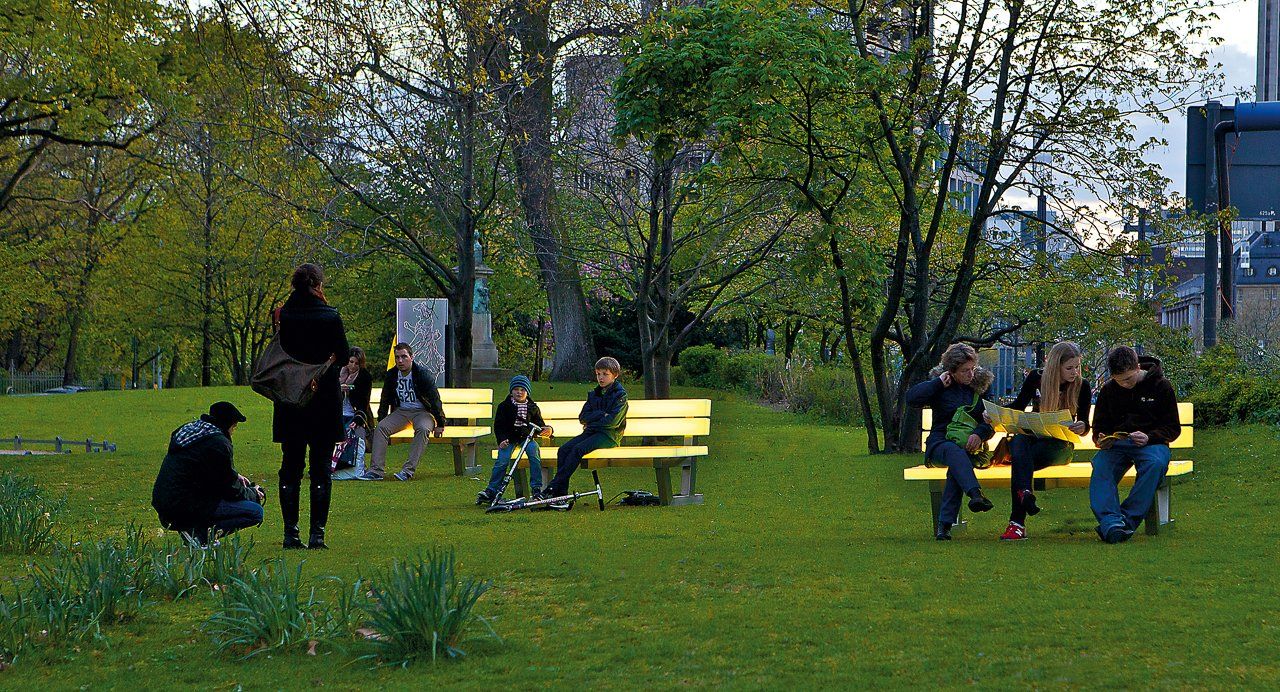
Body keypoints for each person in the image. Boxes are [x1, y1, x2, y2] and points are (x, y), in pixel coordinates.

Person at [273, 263, 349, 550]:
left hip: (290, 397)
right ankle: (317, 533)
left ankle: (290, 532)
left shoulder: (283, 315)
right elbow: (342, 354)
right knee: (320, 468)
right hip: (323, 398)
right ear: (318, 284)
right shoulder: (330, 316)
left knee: (290, 466)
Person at [996, 341, 1093, 541]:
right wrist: (995, 415)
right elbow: (1019, 406)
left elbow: (1085, 423)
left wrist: (1082, 427)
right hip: (1034, 440)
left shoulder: (1082, 386)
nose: (1074, 372)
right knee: (1020, 441)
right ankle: (1024, 495)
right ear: (1055, 366)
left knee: (1021, 461)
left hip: (1060, 446)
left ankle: (1017, 522)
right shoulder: (1036, 379)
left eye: (1077, 367)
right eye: (1069, 368)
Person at [1089, 346, 1181, 544]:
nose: (1124, 384)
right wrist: (1101, 438)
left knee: (1154, 464)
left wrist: (1149, 436)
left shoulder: (1161, 386)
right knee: (1101, 465)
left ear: (1138, 367)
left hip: (1151, 443)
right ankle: (1111, 522)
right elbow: (1099, 426)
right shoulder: (1108, 390)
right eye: (1119, 380)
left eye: (1129, 379)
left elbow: (1173, 428)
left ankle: (1125, 521)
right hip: (1118, 444)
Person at [906, 343, 997, 540]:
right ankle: (975, 494)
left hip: (968, 448)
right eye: (965, 371)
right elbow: (911, 399)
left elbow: (990, 423)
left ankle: (944, 527)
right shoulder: (941, 385)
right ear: (952, 371)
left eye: (972, 369)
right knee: (955, 453)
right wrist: (938, 383)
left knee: (958, 461)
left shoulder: (980, 388)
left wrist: (979, 434)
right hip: (940, 445)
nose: (970, 374)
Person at [152, 401, 262, 545]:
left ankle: (193, 529)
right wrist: (254, 493)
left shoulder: (193, 434)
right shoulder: (218, 443)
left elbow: (207, 471)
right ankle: (200, 533)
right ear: (227, 424)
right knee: (255, 512)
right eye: (234, 427)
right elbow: (229, 489)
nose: (233, 431)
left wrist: (235, 476)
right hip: (184, 506)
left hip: (167, 503)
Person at [537, 357, 628, 511]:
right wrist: (601, 415)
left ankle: (552, 489)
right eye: (598, 374)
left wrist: (596, 418)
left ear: (615, 375)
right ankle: (561, 495)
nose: (600, 378)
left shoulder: (620, 396)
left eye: (605, 374)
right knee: (564, 450)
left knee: (578, 449)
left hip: (608, 436)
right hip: (592, 432)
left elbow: (612, 422)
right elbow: (583, 417)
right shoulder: (594, 394)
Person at [360, 342, 446, 481]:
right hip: (402, 412)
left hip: (422, 412)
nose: (400, 361)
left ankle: (407, 471)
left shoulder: (422, 374)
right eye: (397, 357)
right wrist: (382, 418)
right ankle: (376, 471)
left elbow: (435, 400)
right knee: (381, 428)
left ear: (412, 357)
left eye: (404, 357)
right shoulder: (392, 375)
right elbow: (385, 398)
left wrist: (440, 423)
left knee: (423, 429)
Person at [477, 374, 552, 504]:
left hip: (526, 438)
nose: (519, 392)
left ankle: (536, 489)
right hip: (509, 438)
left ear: (527, 392)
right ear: (511, 391)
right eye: (516, 389)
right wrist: (502, 440)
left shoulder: (533, 407)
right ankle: (491, 490)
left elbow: (540, 424)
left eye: (522, 390)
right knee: (502, 461)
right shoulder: (504, 407)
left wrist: (548, 430)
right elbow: (499, 426)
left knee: (534, 454)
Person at [333, 347, 375, 481]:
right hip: (337, 413)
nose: (353, 366)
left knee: (357, 435)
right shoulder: (336, 373)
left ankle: (357, 467)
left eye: (356, 363)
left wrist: (352, 392)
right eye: (351, 362)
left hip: (355, 413)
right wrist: (339, 390)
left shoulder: (364, 377)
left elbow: (364, 401)